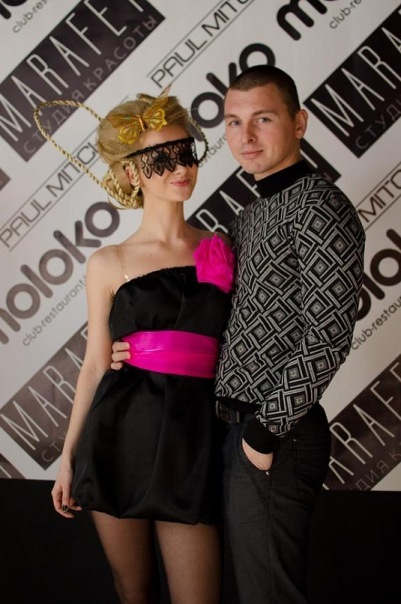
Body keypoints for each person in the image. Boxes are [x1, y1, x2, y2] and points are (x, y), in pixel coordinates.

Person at [111, 65, 365, 604]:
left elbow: (328, 333)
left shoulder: (319, 205)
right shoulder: (249, 217)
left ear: (299, 123)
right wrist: (141, 347)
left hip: (277, 434)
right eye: (233, 122)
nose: (245, 136)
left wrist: (263, 437)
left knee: (268, 593)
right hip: (231, 430)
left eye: (263, 119)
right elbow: (224, 321)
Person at [34, 90, 235, 604]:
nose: (180, 168)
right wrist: (67, 458)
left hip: (193, 439)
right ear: (131, 173)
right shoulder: (108, 262)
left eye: (185, 152)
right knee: (133, 592)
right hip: (119, 435)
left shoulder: (219, 247)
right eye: (160, 159)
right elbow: (94, 366)